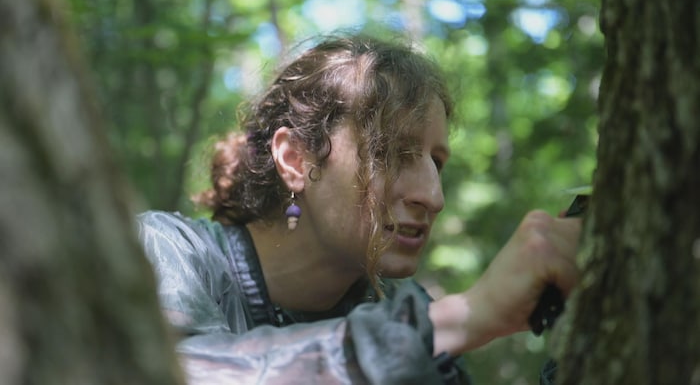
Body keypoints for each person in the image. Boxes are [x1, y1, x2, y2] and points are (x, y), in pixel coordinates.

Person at [137, 33, 581, 385]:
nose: (433, 196)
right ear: (295, 160)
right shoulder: (167, 251)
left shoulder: (399, 303)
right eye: (391, 152)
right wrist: (456, 321)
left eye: (437, 163)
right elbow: (176, 372)